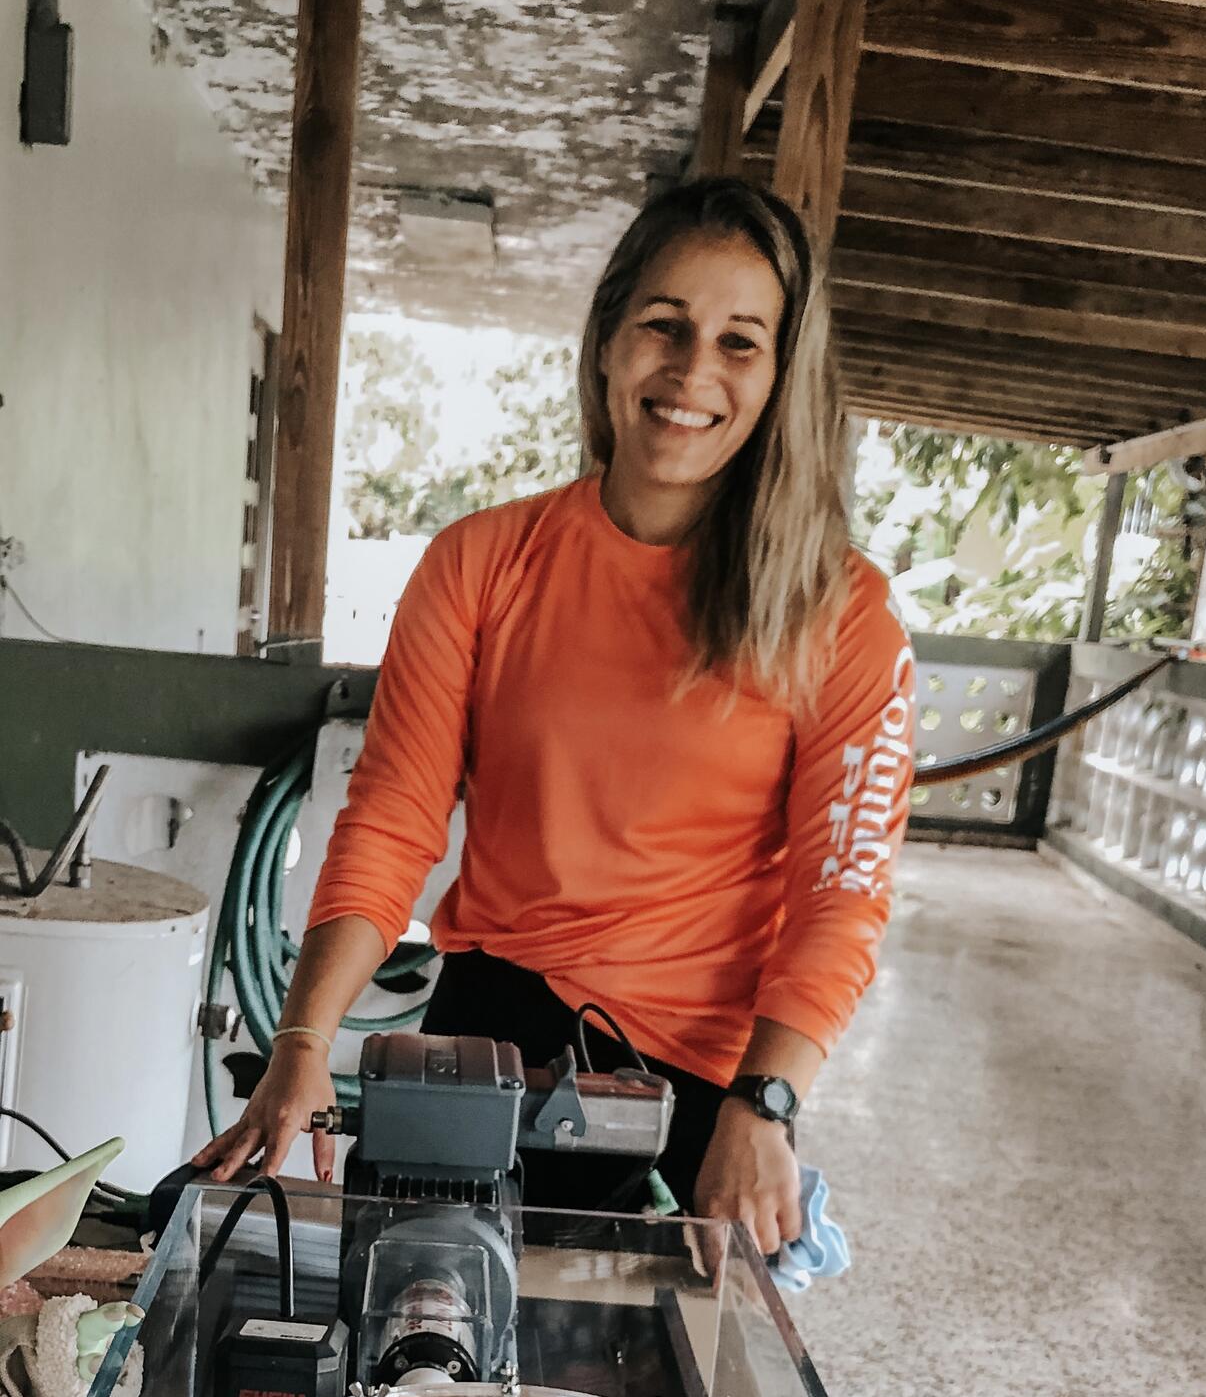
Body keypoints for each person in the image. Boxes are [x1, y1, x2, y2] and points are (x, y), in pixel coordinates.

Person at [194, 177, 915, 1256]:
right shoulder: (480, 563)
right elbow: (393, 817)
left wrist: (766, 1107)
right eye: (664, 327)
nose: (690, 373)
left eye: (738, 343)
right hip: (487, 1036)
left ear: (781, 376)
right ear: (608, 339)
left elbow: (840, 894)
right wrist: (304, 1034)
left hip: (696, 1091)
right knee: (420, 1367)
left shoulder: (841, 613)